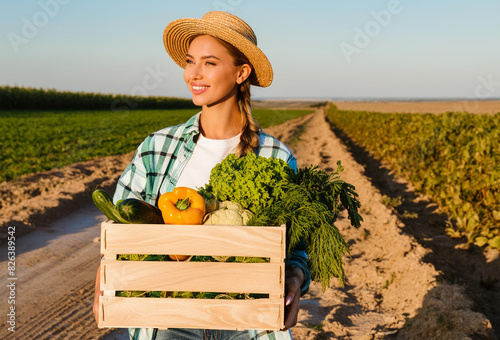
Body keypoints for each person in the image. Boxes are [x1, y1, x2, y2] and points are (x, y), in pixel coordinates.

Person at [93, 11, 310, 340]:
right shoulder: (156, 147)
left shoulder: (276, 157)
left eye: (209, 63)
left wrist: (295, 276)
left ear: (241, 72)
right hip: (170, 320)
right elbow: (120, 233)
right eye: (190, 61)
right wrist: (102, 289)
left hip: (248, 321)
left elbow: (295, 247)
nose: (193, 74)